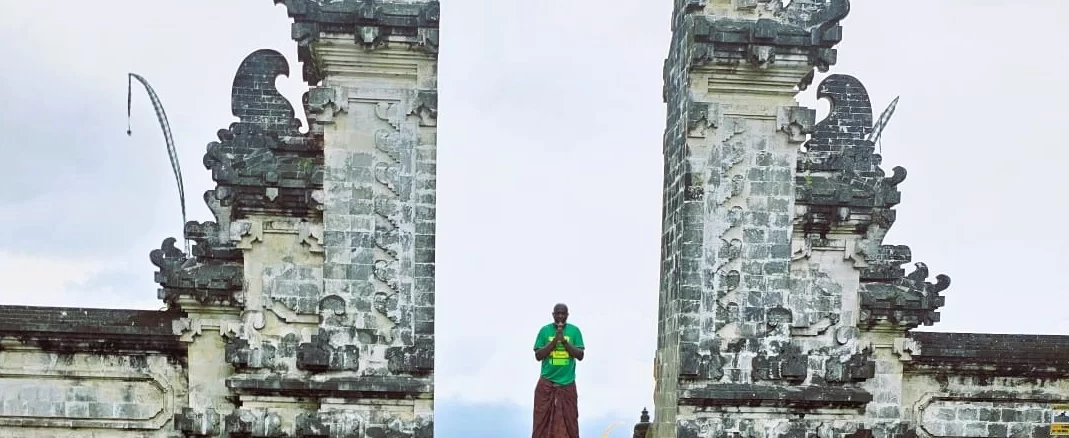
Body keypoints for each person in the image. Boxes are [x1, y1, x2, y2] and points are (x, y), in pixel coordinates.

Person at [532, 303, 585, 438]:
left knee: (570, 422)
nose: (560, 316)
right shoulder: (545, 331)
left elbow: (580, 355)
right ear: (553, 315)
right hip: (547, 383)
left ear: (567, 315)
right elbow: (538, 355)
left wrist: (565, 342)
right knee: (541, 423)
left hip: (567, 383)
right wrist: (555, 341)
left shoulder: (574, 331)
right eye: (558, 313)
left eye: (563, 314)